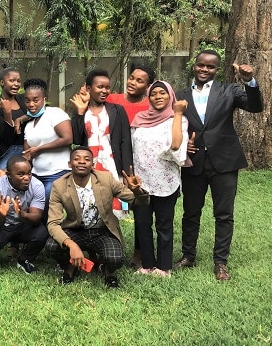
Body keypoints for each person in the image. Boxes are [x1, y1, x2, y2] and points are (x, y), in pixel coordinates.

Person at [174, 50, 264, 281]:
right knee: (190, 212)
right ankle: (188, 256)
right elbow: (173, 125)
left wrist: (249, 82)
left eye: (210, 67)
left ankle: (220, 262)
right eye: (201, 65)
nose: (205, 70)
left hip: (224, 161)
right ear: (194, 66)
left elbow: (255, 107)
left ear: (217, 69)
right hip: (194, 162)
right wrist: (184, 145)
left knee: (224, 214)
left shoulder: (230, 90)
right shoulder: (180, 95)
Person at [46, 147, 149, 288]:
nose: (82, 162)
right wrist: (71, 245)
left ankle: (108, 270)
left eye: (87, 159)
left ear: (93, 165)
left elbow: (140, 202)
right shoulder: (59, 185)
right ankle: (71, 267)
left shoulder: (105, 179)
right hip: (75, 230)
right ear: (70, 164)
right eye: (77, 159)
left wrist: (137, 191)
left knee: (115, 259)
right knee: (52, 246)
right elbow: (53, 223)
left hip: (102, 230)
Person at [130, 81, 188, 277]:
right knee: (143, 224)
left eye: (162, 93)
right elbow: (131, 148)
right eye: (153, 93)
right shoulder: (139, 119)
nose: (158, 96)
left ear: (171, 95)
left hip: (166, 182)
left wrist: (178, 113)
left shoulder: (177, 119)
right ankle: (147, 264)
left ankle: (164, 267)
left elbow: (176, 145)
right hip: (141, 182)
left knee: (164, 225)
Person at [106, 65, 155, 269]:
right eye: (131, 78)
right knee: (107, 206)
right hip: (114, 163)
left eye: (139, 81)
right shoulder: (112, 100)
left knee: (140, 210)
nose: (132, 83)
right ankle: (108, 247)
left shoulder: (151, 106)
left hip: (143, 164)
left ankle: (138, 252)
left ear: (148, 86)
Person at [71, 69, 132, 215]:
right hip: (89, 164)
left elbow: (125, 142)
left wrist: (127, 173)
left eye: (107, 87)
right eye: (100, 87)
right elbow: (77, 139)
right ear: (88, 88)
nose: (104, 91)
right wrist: (80, 113)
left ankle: (112, 237)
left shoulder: (117, 110)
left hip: (111, 164)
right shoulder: (81, 111)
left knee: (112, 208)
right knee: (90, 205)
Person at [0, 156, 48, 273]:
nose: (27, 178)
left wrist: (22, 215)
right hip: (3, 225)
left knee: (42, 232)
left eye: (29, 173)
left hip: (23, 225)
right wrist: (2, 214)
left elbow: (36, 217)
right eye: (21, 174)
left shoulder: (37, 185)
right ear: (8, 174)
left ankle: (24, 259)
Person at [22, 78, 73, 221]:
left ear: (44, 99)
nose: (31, 104)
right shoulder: (29, 124)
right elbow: (27, 154)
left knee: (46, 200)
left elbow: (68, 138)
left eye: (35, 100)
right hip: (36, 174)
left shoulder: (55, 114)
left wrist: (39, 149)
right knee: (30, 202)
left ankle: (50, 234)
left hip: (58, 172)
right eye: (27, 100)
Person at [0, 68, 28, 169]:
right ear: (2, 82)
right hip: (8, 150)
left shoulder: (23, 99)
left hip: (27, 148)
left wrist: (20, 119)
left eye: (18, 81)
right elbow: (7, 137)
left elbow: (37, 112)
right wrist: (7, 113)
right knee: (3, 178)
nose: (16, 84)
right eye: (12, 80)